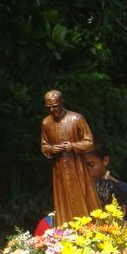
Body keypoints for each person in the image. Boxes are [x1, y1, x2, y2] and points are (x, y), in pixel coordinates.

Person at [40, 90, 102, 225]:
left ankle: (89, 229)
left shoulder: (76, 119)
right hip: (59, 171)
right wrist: (51, 149)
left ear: (61, 102)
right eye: (48, 107)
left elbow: (89, 142)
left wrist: (72, 146)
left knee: (83, 199)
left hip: (77, 167)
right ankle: (66, 230)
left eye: (55, 106)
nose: (52, 110)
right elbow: (44, 146)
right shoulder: (46, 122)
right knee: (63, 202)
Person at [83, 141, 127, 230]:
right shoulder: (78, 192)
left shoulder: (125, 191)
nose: (85, 171)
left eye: (90, 165)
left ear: (105, 161)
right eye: (80, 167)